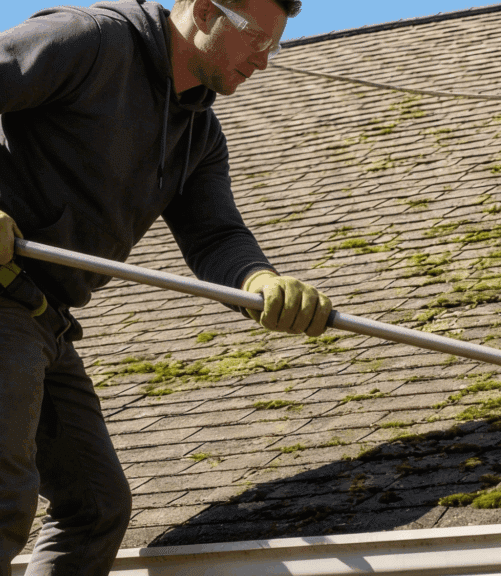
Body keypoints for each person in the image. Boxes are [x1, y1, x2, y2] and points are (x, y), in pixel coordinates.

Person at [0, 0, 332, 573]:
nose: (265, 62)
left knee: (96, 507)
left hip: (42, 318)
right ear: (204, 13)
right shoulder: (90, 41)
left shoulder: (197, 134)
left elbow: (215, 236)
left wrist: (263, 282)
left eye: (274, 46)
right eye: (257, 40)